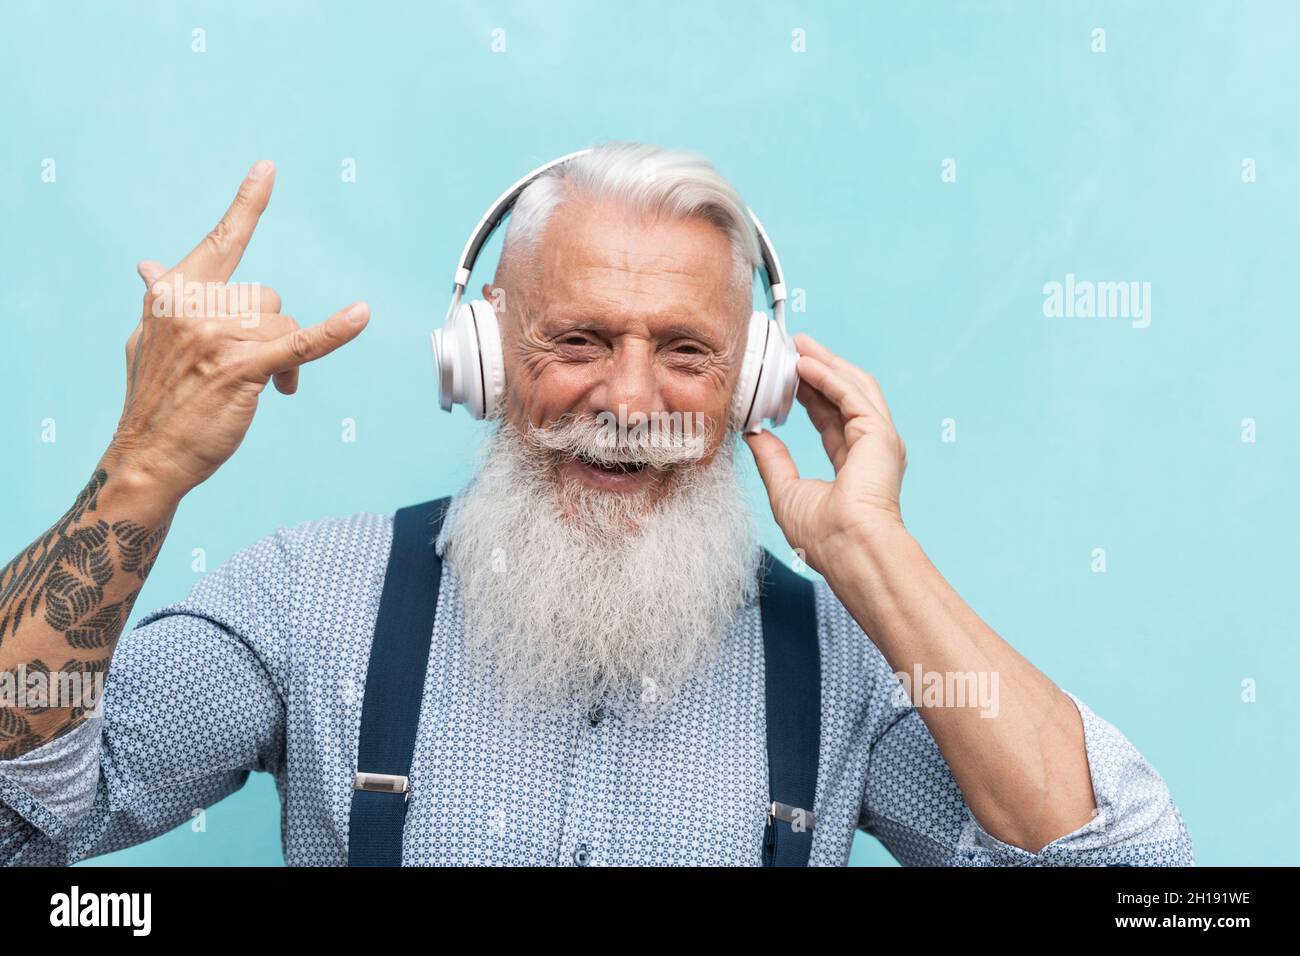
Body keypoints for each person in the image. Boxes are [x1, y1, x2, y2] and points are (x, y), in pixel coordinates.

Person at [0, 143, 1193, 866]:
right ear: (481, 357)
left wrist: (873, 555)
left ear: (756, 384)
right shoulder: (310, 601)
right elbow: (25, 817)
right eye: (577, 338)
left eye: (686, 350)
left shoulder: (844, 665)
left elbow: (1134, 880)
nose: (628, 399)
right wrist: (140, 468)